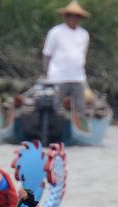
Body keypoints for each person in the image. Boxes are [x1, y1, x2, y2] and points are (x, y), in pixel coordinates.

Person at [42, 1, 90, 130]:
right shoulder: (56, 32)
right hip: (58, 76)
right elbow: (47, 54)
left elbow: (82, 55)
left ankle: (82, 129)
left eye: (76, 16)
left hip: (77, 77)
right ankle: (53, 129)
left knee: (81, 106)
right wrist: (47, 75)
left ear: (79, 18)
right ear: (66, 17)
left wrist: (84, 78)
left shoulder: (84, 34)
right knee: (55, 105)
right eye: (70, 16)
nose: (73, 18)